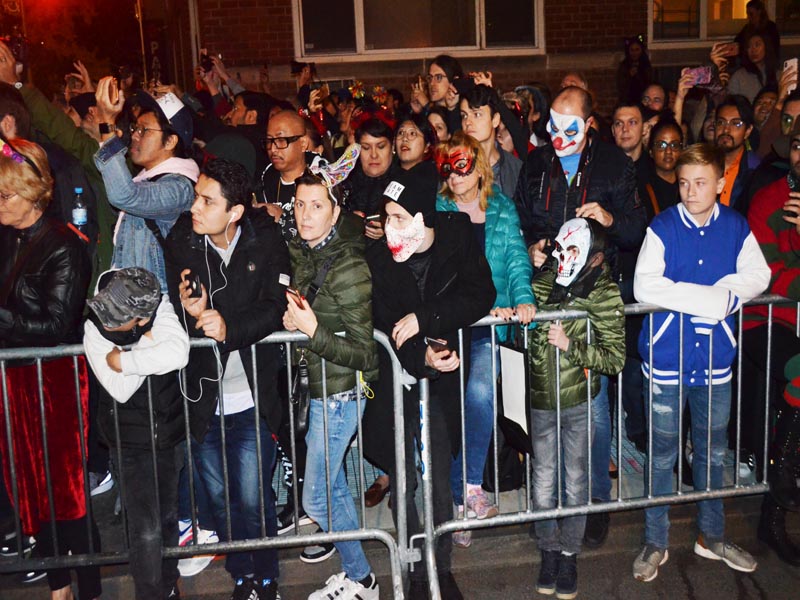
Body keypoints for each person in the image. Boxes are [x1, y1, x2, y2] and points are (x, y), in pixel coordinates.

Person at [515, 85, 646, 549]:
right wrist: (532, 244)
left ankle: (593, 502)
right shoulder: (535, 163)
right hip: (547, 296)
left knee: (593, 407)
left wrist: (609, 220)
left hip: (592, 298)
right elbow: (523, 219)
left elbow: (637, 227)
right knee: (548, 407)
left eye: (568, 128)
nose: (556, 136)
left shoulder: (615, 164)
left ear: (590, 124)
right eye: (551, 125)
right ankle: (551, 514)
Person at [632, 143, 770, 582]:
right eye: (685, 183)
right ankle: (655, 540)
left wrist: (722, 294)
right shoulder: (662, 225)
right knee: (661, 457)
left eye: (701, 183)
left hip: (715, 360)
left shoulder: (735, 224)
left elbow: (759, 275)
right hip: (667, 356)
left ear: (720, 182)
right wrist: (712, 298)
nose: (691, 192)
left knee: (712, 454)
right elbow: (643, 288)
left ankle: (712, 536)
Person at [365, 167, 496, 598]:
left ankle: (441, 567)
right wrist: (420, 353)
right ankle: (413, 566)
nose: (390, 229)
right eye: (386, 218)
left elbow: (481, 294)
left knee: (439, 481)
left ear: (424, 218)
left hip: (441, 386)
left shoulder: (457, 237)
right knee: (403, 482)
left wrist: (428, 319)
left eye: (400, 217)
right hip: (397, 382)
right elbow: (384, 321)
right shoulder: (380, 258)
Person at [166, 158, 290, 600]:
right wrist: (191, 312)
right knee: (219, 503)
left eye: (206, 200)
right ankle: (243, 576)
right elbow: (178, 312)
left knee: (255, 501)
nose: (194, 207)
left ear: (234, 212)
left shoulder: (265, 240)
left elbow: (274, 305)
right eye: (196, 196)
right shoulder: (183, 239)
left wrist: (227, 327)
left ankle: (268, 578)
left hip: (252, 398)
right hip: (203, 399)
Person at [0, 138, 99, 600]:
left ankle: (85, 585)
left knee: (65, 487)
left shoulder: (64, 244)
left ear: (33, 195)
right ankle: (59, 582)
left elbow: (58, 325)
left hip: (54, 378)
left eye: (5, 195)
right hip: (16, 377)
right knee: (29, 482)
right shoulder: (8, 236)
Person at [435, 132, 535, 547]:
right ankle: (453, 494)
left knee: (480, 394)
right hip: (449, 325)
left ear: (478, 167)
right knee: (446, 410)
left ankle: (468, 489)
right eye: (447, 167)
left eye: (462, 165)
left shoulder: (501, 208)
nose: (455, 176)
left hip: (491, 325)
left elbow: (514, 258)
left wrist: (524, 299)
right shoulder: (438, 211)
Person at [283, 170, 380, 600]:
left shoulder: (349, 264)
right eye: (300, 205)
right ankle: (361, 579)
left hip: (341, 395)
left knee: (318, 500)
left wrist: (311, 329)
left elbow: (366, 353)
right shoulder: (309, 253)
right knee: (334, 488)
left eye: (317, 205)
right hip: (323, 390)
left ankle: (362, 578)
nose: (306, 215)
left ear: (336, 211)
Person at [529, 217, 625, 600]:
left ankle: (569, 552)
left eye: (574, 251)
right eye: (561, 248)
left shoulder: (604, 293)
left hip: (578, 402)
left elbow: (615, 357)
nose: (564, 257)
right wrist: (514, 313)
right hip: (541, 401)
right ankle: (548, 550)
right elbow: (519, 319)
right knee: (543, 480)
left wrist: (572, 346)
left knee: (575, 478)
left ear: (595, 257)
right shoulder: (541, 282)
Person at [83, 267, 189, 600]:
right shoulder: (94, 321)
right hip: (127, 442)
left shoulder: (158, 302)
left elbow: (180, 353)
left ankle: (169, 587)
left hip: (168, 433)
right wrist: (150, 346)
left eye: (118, 319)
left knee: (169, 521)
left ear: (142, 319)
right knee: (145, 531)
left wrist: (127, 357)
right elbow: (120, 389)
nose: (107, 322)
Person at [745, 121, 800, 565]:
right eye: (798, 146)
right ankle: (776, 500)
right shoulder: (769, 198)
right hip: (764, 322)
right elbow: (771, 279)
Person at [460, 85, 523, 198]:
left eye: (477, 114)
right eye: (464, 116)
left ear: (495, 120)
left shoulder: (515, 168)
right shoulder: (454, 165)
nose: (467, 122)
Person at [713, 95, 760, 214]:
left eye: (736, 124)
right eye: (721, 122)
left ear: (748, 131)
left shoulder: (755, 170)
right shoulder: (702, 163)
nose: (726, 130)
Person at [728, 33, 778, 103]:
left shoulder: (778, 74)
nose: (753, 50)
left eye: (757, 45)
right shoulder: (739, 76)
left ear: (767, 47)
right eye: (749, 47)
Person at [617, 35, 654, 105]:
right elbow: (621, 86)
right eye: (632, 50)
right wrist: (629, 76)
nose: (634, 53)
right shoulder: (624, 66)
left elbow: (650, 82)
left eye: (637, 50)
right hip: (628, 101)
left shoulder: (646, 64)